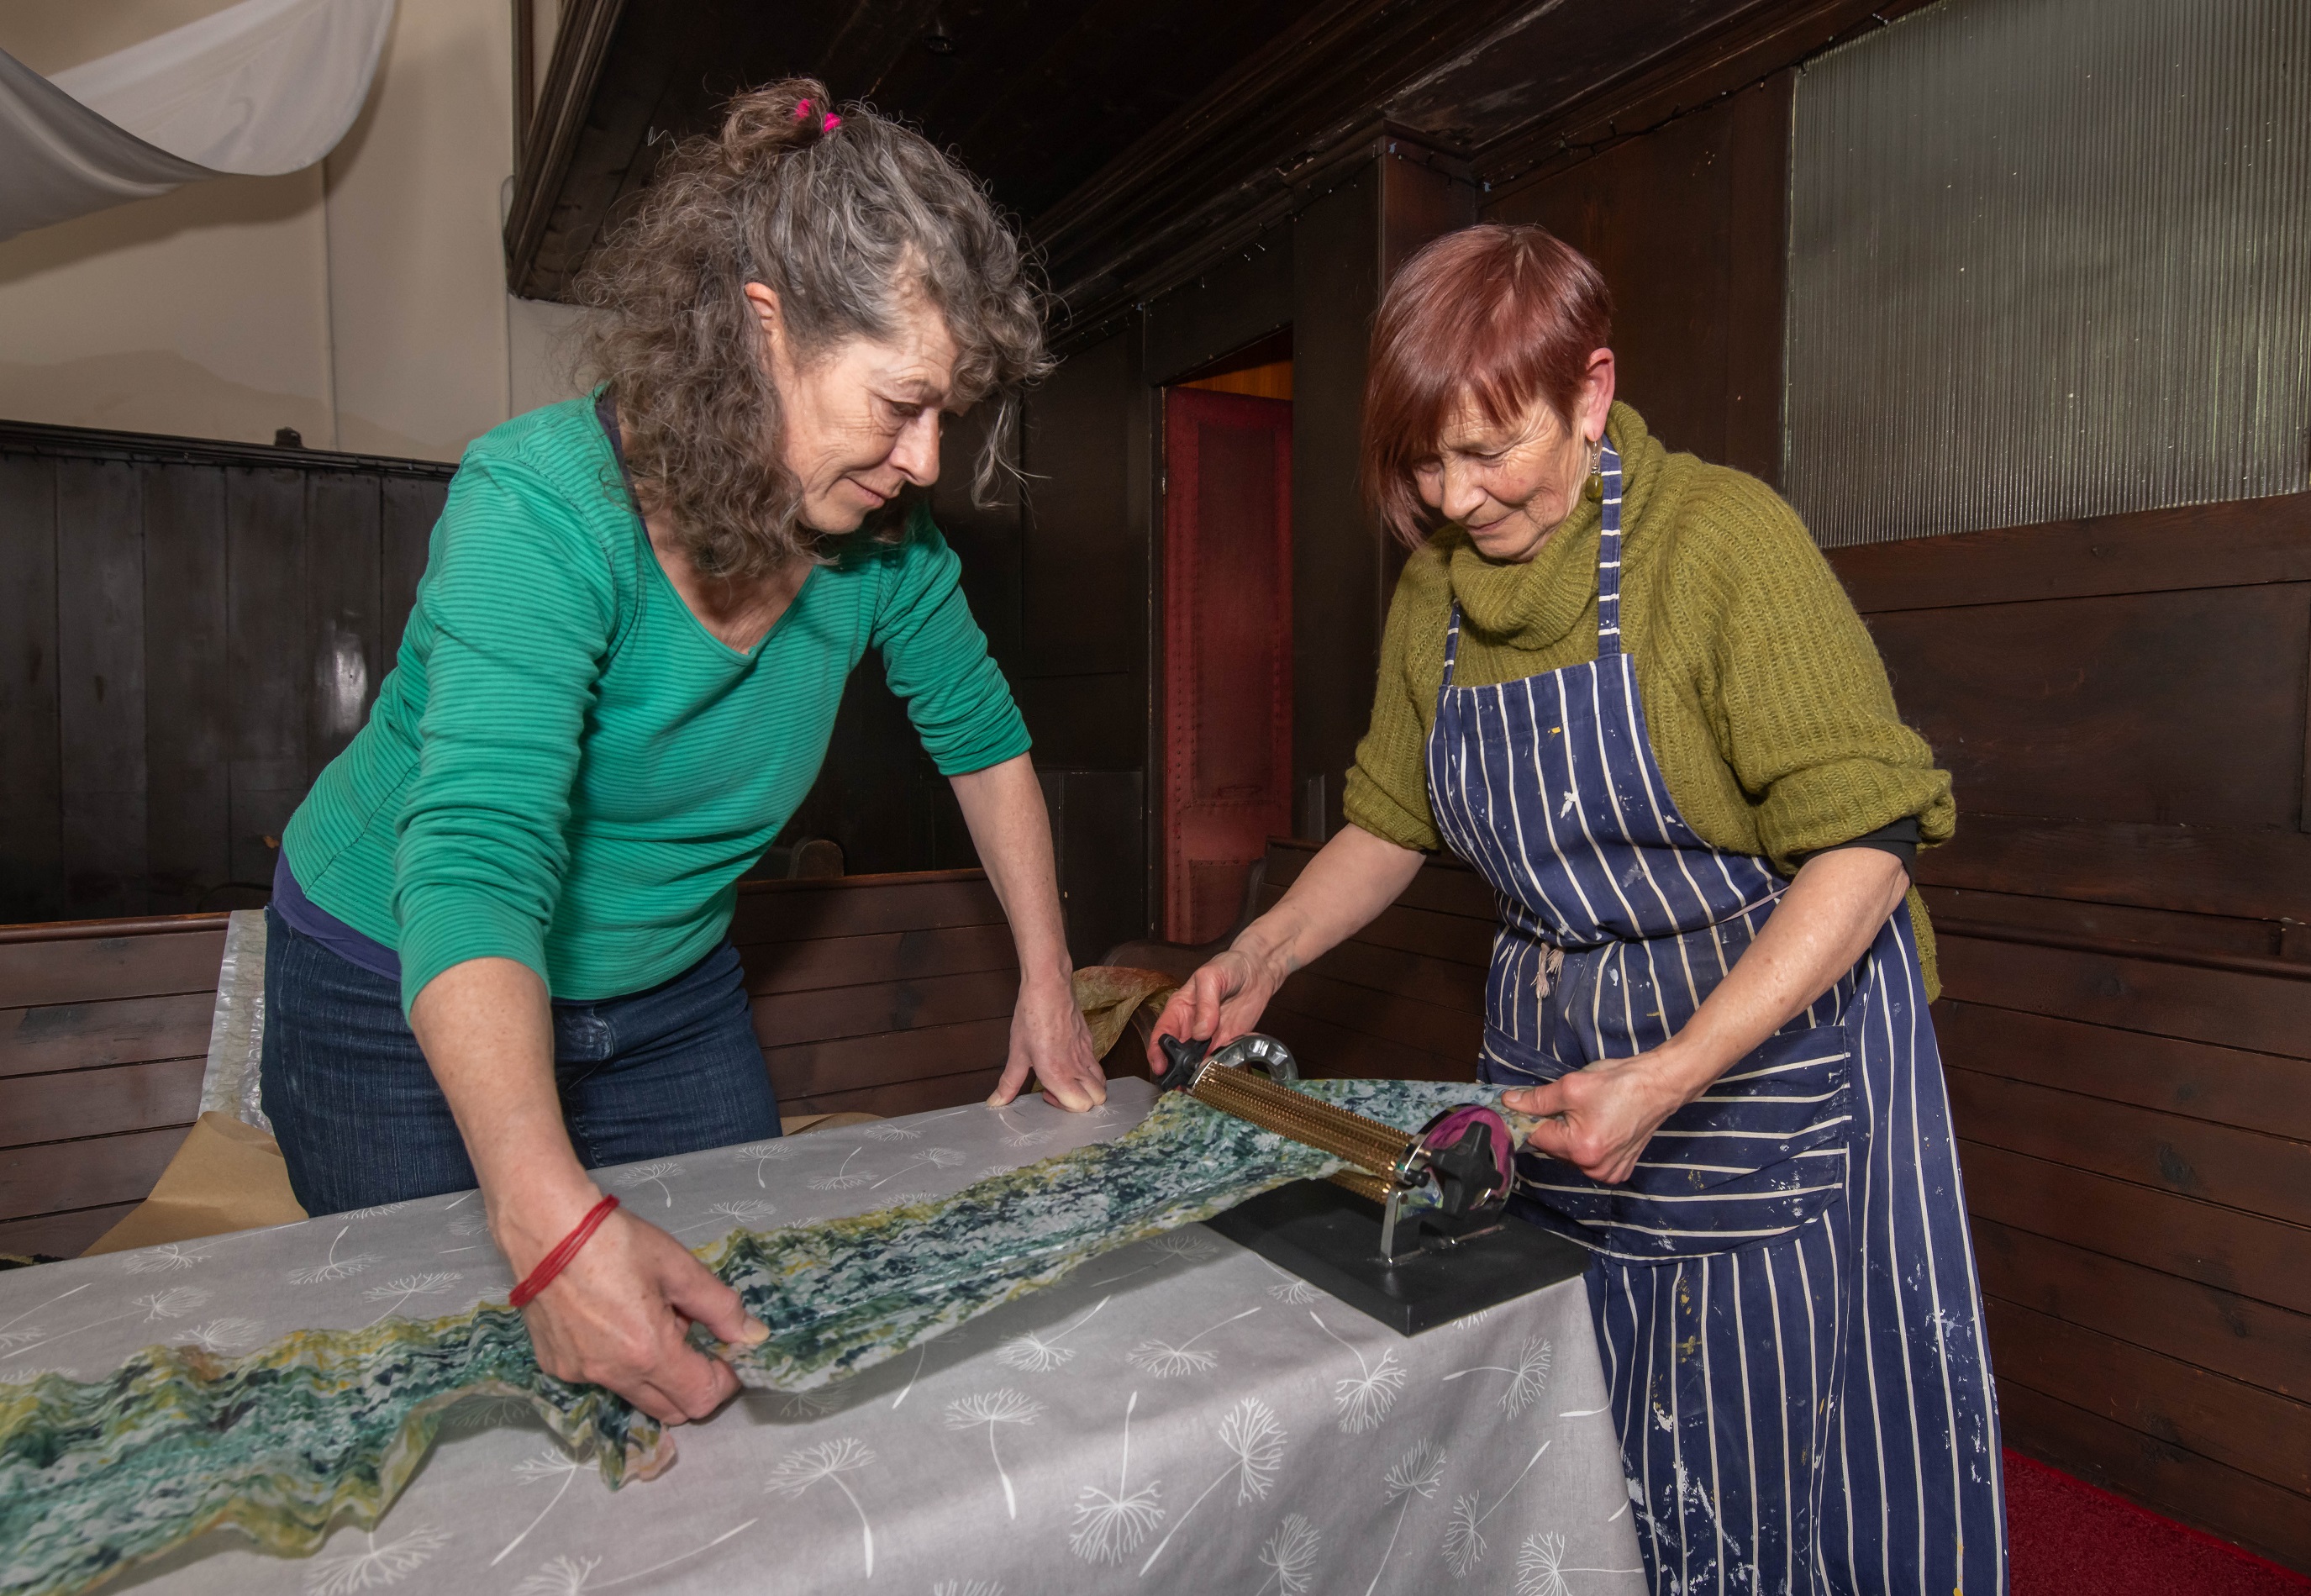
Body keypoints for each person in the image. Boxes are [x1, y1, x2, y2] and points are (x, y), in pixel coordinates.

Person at [1150, 224, 2005, 1593]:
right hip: (1555, 1040)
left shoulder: (1720, 542)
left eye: (1490, 453)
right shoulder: (1430, 593)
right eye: (1424, 460)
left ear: (1591, 393)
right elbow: (1387, 820)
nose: (1454, 496)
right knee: (1569, 1390)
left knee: (1758, 1426)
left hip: (1752, 1040)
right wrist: (1259, 954)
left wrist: (1670, 1074)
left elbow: (1865, 846)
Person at [261, 80, 1103, 1428]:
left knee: (738, 1345)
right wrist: (544, 1227)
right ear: (762, 323)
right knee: (461, 1401)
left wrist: (1047, 985)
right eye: (900, 405)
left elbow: (985, 743)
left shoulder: (885, 547)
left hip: (666, 995)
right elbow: (476, 855)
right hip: (398, 988)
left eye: (948, 413)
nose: (927, 459)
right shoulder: (539, 507)